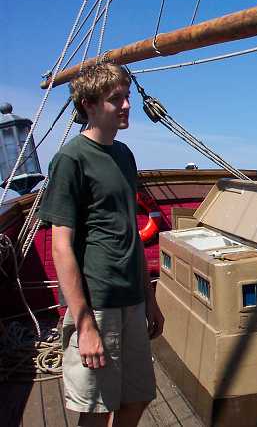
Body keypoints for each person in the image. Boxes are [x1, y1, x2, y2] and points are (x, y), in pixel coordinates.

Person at [37, 62, 164, 426]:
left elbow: (129, 233)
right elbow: (61, 246)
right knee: (95, 410)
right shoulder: (71, 159)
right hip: (98, 304)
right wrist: (84, 324)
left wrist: (150, 298)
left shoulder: (124, 156)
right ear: (90, 105)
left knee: (137, 398)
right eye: (115, 99)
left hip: (132, 299)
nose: (126, 106)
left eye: (126, 97)